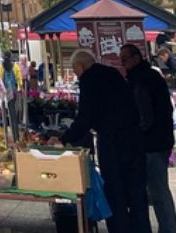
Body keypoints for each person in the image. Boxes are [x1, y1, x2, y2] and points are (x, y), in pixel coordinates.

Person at [54, 50, 151, 233]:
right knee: (137, 194)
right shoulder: (112, 73)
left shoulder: (89, 80)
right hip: (133, 139)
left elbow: (85, 117)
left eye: (75, 70)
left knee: (115, 193)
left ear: (80, 66)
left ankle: (119, 229)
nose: (76, 74)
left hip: (112, 142)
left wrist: (65, 139)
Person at [120, 44, 176, 233]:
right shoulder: (149, 76)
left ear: (136, 58)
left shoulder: (141, 80)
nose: (122, 63)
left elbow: (145, 117)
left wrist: (134, 136)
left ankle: (169, 229)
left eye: (125, 59)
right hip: (159, 140)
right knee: (158, 191)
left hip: (151, 143)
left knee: (157, 191)